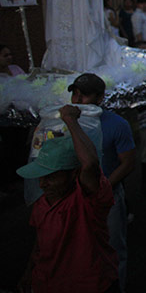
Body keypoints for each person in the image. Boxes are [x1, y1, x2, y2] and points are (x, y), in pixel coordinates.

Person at [16, 105, 119, 293]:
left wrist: (70, 120)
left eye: (51, 177)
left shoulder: (87, 200)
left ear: (73, 175)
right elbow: (41, 241)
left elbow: (90, 164)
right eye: (41, 176)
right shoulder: (43, 202)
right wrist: (29, 271)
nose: (42, 184)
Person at [67, 73, 135, 291]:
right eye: (75, 94)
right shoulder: (68, 123)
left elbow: (127, 163)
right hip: (76, 197)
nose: (77, 100)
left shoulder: (117, 124)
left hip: (109, 198)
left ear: (100, 98)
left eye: (84, 96)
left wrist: (103, 188)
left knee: (113, 248)